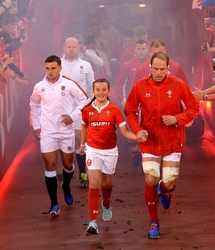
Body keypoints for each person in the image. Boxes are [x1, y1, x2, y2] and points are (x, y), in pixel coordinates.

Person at [124, 52, 199, 239]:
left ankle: (165, 191)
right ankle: (154, 221)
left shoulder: (179, 85)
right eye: (155, 69)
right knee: (150, 178)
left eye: (162, 69)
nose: (158, 72)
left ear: (168, 68)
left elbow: (193, 108)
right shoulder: (139, 86)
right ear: (150, 67)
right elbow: (130, 111)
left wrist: (176, 118)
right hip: (149, 141)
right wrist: (138, 130)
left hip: (173, 139)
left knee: (170, 182)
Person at [79, 78, 145, 235]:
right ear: (93, 92)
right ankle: (93, 222)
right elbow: (83, 126)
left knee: (106, 185)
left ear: (108, 91)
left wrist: (138, 136)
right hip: (92, 150)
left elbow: (124, 131)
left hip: (110, 151)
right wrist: (82, 145)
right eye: (98, 90)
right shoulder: (86, 110)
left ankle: (106, 204)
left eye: (104, 90)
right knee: (94, 183)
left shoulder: (114, 110)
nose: (101, 93)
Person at [29, 55, 89, 216]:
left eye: (53, 68)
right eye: (47, 68)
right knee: (50, 166)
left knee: (68, 165)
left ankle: (66, 186)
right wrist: (36, 126)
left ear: (60, 68)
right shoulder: (39, 86)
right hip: (47, 132)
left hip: (66, 131)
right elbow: (34, 104)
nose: (50, 72)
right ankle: (54, 204)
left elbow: (85, 99)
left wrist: (73, 116)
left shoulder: (69, 84)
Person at [60, 37, 94, 188]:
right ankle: (66, 167)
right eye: (69, 47)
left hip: (81, 107)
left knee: (81, 139)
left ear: (79, 47)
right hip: (62, 109)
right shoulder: (57, 65)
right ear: (64, 47)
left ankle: (83, 173)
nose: (72, 49)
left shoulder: (86, 65)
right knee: (63, 139)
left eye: (74, 46)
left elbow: (91, 87)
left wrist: (89, 106)